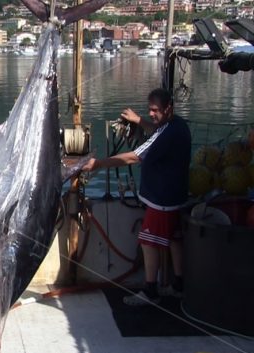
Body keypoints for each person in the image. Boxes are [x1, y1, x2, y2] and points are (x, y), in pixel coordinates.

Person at [82, 88, 191, 306]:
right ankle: (179, 285)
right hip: (175, 197)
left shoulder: (168, 132)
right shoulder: (177, 126)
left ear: (169, 108)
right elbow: (156, 131)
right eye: (149, 110)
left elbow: (134, 157)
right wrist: (139, 120)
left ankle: (150, 291)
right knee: (174, 240)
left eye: (155, 110)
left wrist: (99, 164)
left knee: (148, 242)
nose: (151, 114)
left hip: (161, 201)